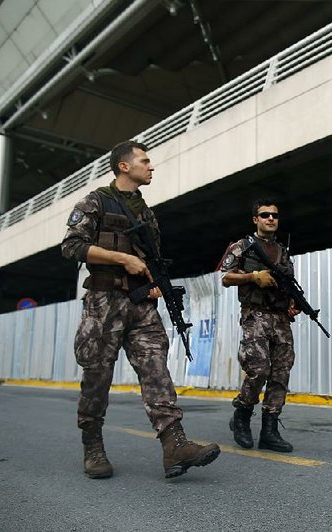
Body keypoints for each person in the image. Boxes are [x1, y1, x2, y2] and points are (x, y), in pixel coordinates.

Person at [61, 140, 220, 479]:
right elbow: (72, 246)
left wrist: (154, 282)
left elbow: (149, 260)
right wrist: (122, 258)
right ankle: (93, 445)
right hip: (104, 301)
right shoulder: (95, 202)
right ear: (124, 166)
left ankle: (174, 445)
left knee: (156, 370)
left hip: (140, 303)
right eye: (145, 161)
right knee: (97, 377)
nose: (151, 167)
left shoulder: (146, 213)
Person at [220, 199, 301, 452]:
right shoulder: (242, 246)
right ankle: (241, 417)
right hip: (255, 316)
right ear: (255, 219)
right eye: (264, 215)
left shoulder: (282, 252)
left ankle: (269, 431)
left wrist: (294, 304)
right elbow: (225, 277)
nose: (270, 219)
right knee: (259, 370)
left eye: (274, 215)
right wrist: (253, 276)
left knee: (281, 374)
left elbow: (290, 284)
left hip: (280, 319)